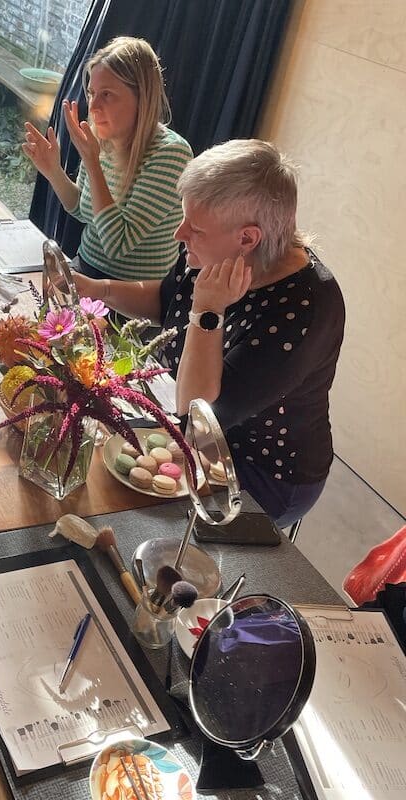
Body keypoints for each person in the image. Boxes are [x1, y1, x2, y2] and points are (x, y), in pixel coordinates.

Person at [74, 139, 345, 527]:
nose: (179, 233)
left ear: (247, 238)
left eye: (195, 228)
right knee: (95, 463)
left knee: (124, 515)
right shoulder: (216, 253)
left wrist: (207, 311)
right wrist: (97, 289)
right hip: (192, 437)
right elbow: (167, 299)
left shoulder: (305, 310)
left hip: (261, 472)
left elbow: (197, 409)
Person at [23, 36, 192, 282]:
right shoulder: (102, 138)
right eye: (92, 93)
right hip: (86, 270)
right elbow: (82, 209)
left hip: (134, 292)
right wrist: (53, 171)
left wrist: (92, 163)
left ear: (142, 98)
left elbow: (117, 244)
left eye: (107, 94)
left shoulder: (171, 153)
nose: (93, 107)